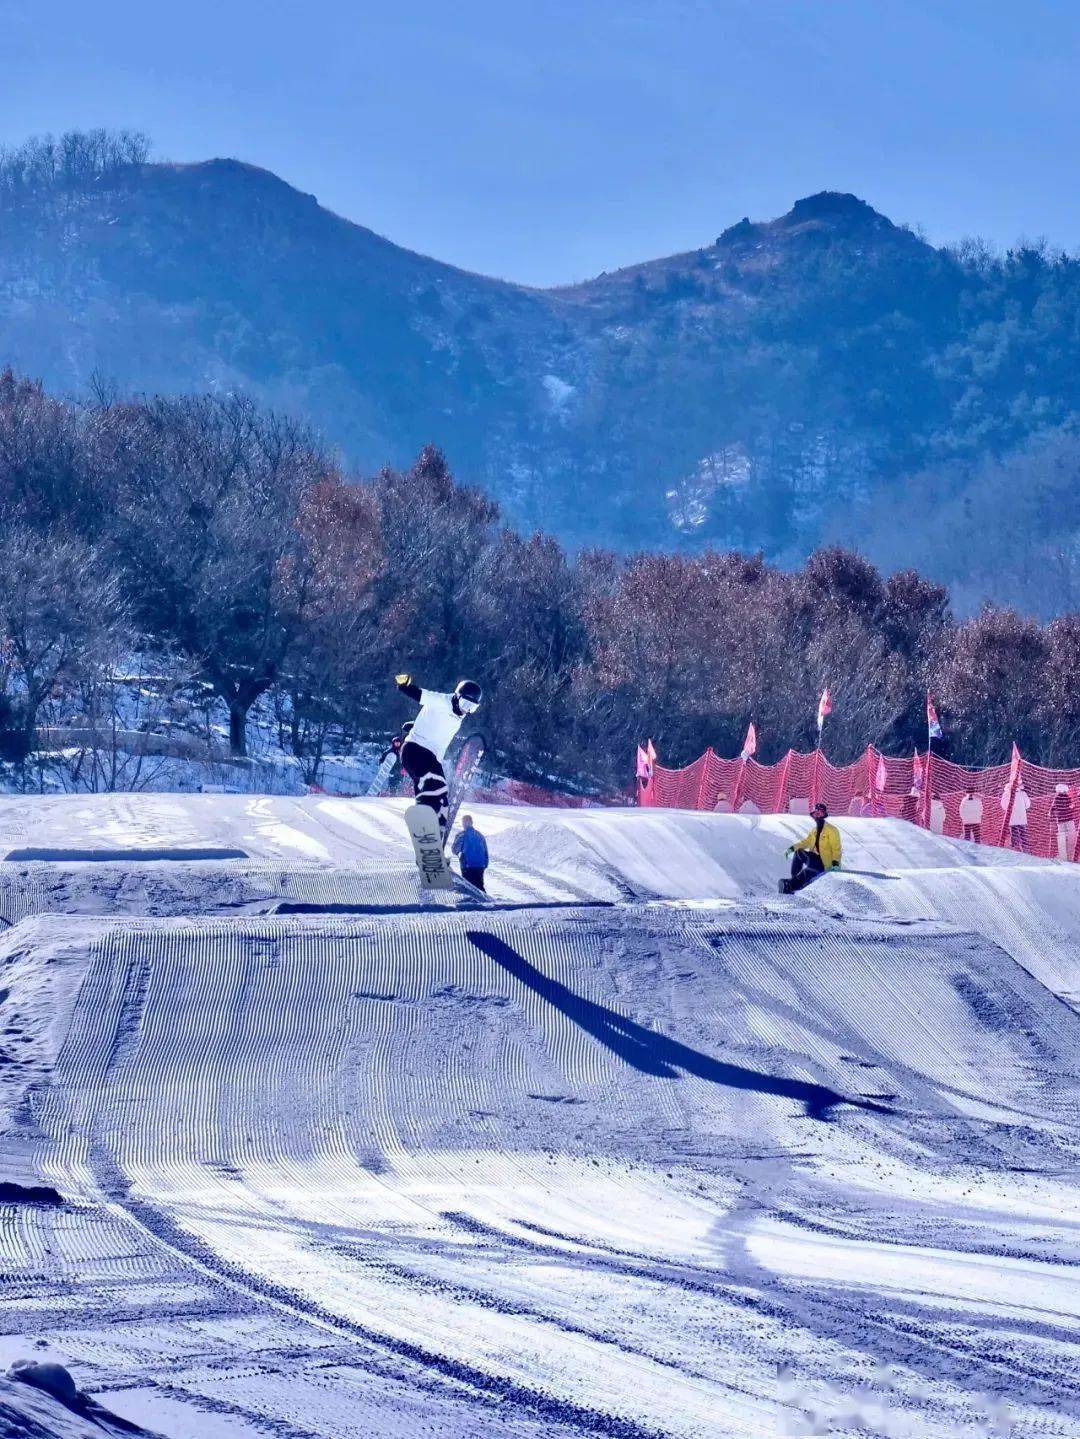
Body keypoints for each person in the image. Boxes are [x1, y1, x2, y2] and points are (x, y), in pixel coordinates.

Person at [395, 673, 482, 836]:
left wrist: (416, 724)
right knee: (436, 785)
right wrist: (404, 685)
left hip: (430, 757)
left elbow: (435, 724)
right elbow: (419, 694)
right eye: (464, 704)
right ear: (457, 697)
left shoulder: (459, 715)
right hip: (415, 750)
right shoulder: (442, 701)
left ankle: (431, 834)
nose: (466, 710)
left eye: (471, 708)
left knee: (441, 797)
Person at [783, 802, 842, 892]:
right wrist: (791, 848)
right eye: (815, 813)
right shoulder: (814, 831)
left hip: (824, 864)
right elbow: (805, 842)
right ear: (813, 815)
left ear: (824, 814)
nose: (817, 815)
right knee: (799, 854)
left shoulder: (831, 830)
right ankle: (791, 884)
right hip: (814, 862)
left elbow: (836, 848)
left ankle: (792, 883)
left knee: (803, 857)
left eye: (820, 813)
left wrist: (835, 864)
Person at [452, 813, 489, 890]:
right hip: (480, 866)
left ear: (464, 823)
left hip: (467, 866)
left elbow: (455, 850)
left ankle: (470, 901)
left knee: (469, 888)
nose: (463, 824)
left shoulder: (461, 835)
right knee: (479, 888)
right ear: (472, 823)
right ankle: (483, 901)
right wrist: (485, 864)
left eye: (464, 822)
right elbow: (486, 852)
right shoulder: (480, 835)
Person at [1002, 779, 1031, 852]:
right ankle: (1025, 849)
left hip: (1012, 818)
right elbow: (1028, 805)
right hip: (1022, 818)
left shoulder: (1006, 794)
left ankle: (1015, 849)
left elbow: (1003, 805)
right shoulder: (1023, 794)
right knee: (1023, 834)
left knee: (1014, 834)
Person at [1051, 783, 1076, 862]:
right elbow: (1071, 807)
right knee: (1071, 837)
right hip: (1069, 820)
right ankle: (1071, 855)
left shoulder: (1056, 799)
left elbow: (1053, 809)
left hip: (1060, 821)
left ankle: (1063, 856)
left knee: (1061, 838)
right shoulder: (1067, 798)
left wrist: (1051, 814)